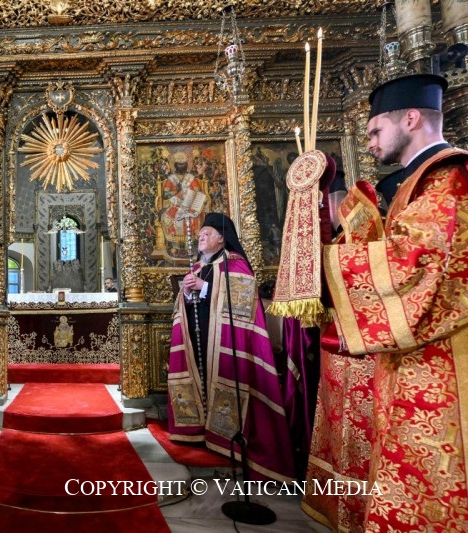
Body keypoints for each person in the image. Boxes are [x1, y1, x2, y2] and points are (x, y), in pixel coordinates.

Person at [305, 74, 468, 531]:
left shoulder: (449, 178)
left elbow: (411, 263)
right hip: (412, 360)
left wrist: (319, 261)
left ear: (410, 118)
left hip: (443, 368)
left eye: (376, 130)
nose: (371, 142)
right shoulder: (419, 183)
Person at [167, 212, 295, 482]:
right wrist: (187, 291)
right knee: (202, 381)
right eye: (200, 234)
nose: (201, 237)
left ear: (222, 239)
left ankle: (224, 436)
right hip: (201, 341)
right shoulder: (198, 266)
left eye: (207, 234)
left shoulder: (235, 265)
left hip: (226, 342)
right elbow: (185, 304)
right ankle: (201, 428)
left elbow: (243, 301)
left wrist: (204, 287)